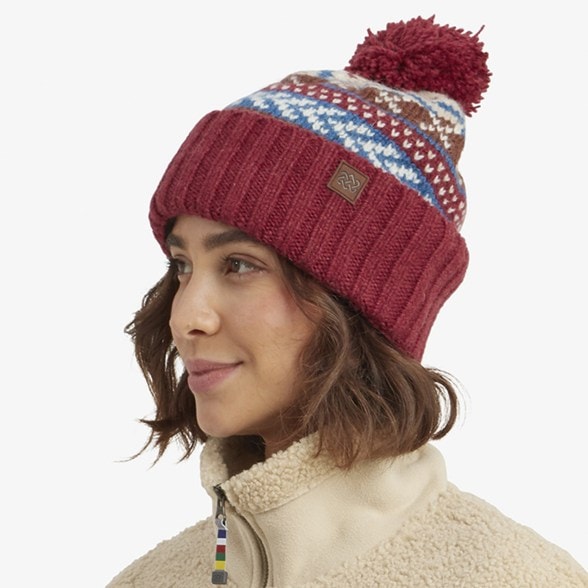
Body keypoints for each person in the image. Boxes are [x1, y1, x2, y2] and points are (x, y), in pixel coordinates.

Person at [107, 16, 588, 587]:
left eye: (239, 265)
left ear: (358, 304)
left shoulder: (514, 577)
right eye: (182, 266)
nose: (187, 317)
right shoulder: (150, 580)